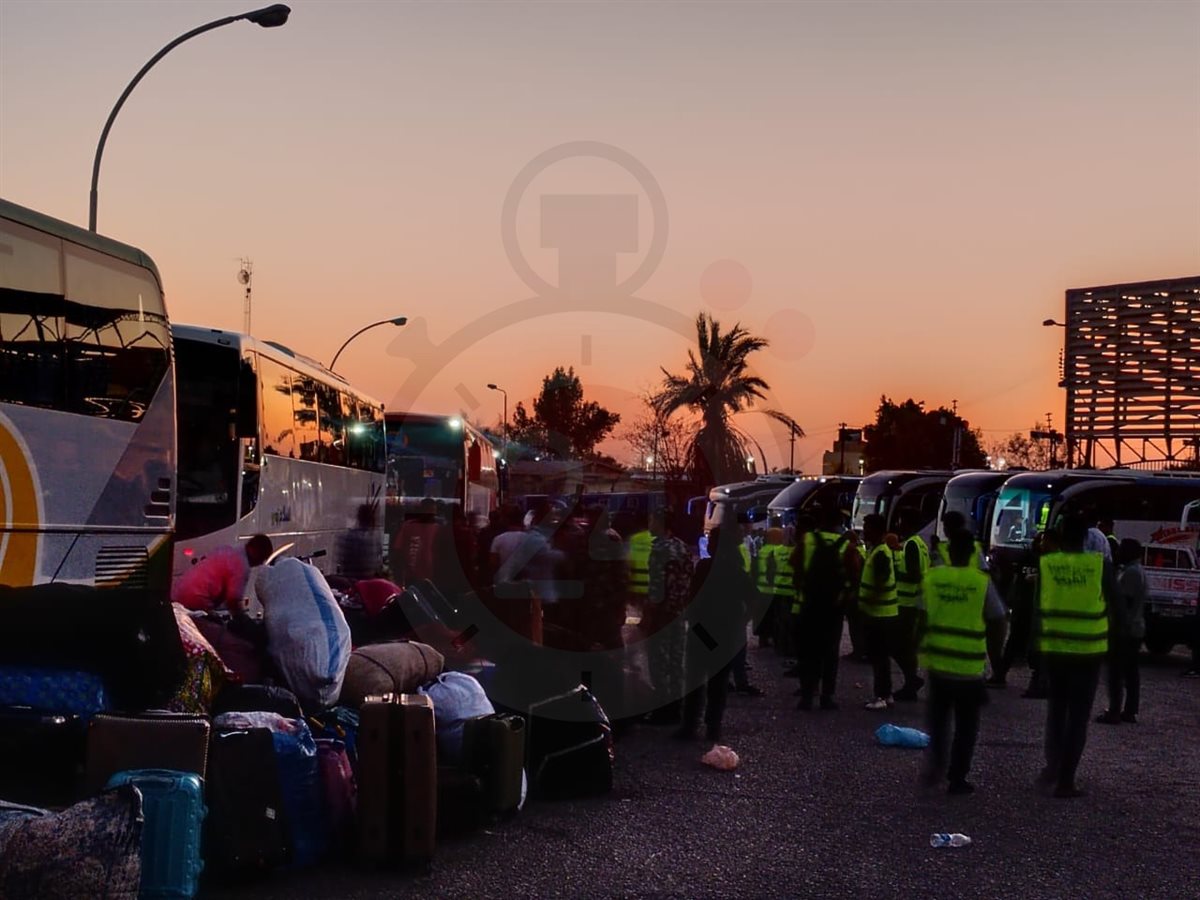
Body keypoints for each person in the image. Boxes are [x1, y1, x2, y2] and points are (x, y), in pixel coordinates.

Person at [921, 530, 1006, 795]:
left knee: (939, 721)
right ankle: (957, 777)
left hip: (939, 664)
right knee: (967, 727)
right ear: (972, 554)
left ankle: (936, 765)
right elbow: (997, 618)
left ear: (949, 552)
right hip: (969, 668)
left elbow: (920, 616)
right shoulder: (980, 582)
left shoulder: (933, 578)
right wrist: (995, 655)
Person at [1037, 513, 1115, 798]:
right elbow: (1114, 602)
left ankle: (1053, 766)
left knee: (1056, 711)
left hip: (1055, 650)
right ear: (1086, 536)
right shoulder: (1099, 566)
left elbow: (1038, 609)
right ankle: (1066, 780)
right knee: (1078, 716)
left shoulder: (1047, 565)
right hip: (1088, 651)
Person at [676, 525, 751, 742]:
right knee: (718, 683)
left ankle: (689, 726)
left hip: (701, 630)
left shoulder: (705, 566)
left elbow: (693, 597)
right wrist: (740, 623)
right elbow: (753, 597)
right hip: (725, 632)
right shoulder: (737, 569)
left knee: (694, 680)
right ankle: (713, 727)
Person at [794, 505, 849, 711]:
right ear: (839, 523)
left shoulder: (807, 541)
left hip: (809, 605)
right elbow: (854, 574)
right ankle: (827, 696)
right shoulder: (845, 544)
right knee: (830, 653)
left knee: (808, 651)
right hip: (833, 608)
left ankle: (807, 695)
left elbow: (795, 567)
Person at [643, 508, 694, 724]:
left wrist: (650, 614)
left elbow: (657, 586)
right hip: (679, 611)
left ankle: (663, 709)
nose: (649, 523)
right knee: (676, 660)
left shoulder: (659, 549)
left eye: (652, 519)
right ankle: (677, 706)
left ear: (660, 523)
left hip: (662, 613)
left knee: (659, 660)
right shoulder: (682, 546)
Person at [1097, 538, 1146, 725]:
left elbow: (1125, 603)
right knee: (1131, 672)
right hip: (1134, 627)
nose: (1117, 553)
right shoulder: (1135, 571)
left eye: (1121, 550)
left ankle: (1115, 710)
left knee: (1117, 672)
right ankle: (1129, 710)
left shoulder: (1130, 573)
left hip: (1125, 629)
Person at [859, 513, 903, 710]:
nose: (864, 530)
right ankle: (886, 694)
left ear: (877, 530)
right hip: (882, 612)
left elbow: (880, 580)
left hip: (880, 613)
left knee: (879, 657)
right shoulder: (877, 550)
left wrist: (869, 604)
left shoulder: (881, 553)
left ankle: (882, 696)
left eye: (867, 526)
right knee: (880, 656)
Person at [172, 534, 274, 613]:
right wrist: (245, 623)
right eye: (262, 557)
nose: (261, 562)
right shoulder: (241, 565)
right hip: (196, 599)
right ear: (255, 551)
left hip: (178, 592)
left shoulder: (228, 550)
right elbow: (233, 602)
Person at [892, 510, 929, 702]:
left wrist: (895, 574)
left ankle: (911, 681)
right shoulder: (920, 544)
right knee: (906, 646)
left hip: (907, 603)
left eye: (901, 521)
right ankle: (910, 683)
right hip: (914, 602)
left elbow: (914, 575)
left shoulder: (912, 545)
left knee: (899, 645)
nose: (899, 525)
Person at [389, 497, 442, 585]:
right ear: (422, 510)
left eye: (433, 511)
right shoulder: (408, 526)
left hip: (430, 576)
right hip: (412, 574)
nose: (431, 513)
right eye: (429, 510)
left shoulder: (438, 528)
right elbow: (398, 550)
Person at [335, 503, 382, 581]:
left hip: (351, 581)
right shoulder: (375, 538)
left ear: (358, 517)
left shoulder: (348, 536)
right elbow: (377, 561)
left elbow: (341, 560)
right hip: (369, 581)